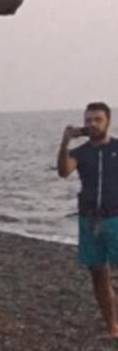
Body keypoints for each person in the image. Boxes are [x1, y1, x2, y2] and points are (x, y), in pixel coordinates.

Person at [57, 101, 118, 338]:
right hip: (90, 220)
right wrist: (65, 142)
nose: (91, 124)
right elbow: (63, 171)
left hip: (116, 218)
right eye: (88, 120)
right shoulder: (80, 152)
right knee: (98, 273)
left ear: (108, 122)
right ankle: (112, 326)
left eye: (97, 120)